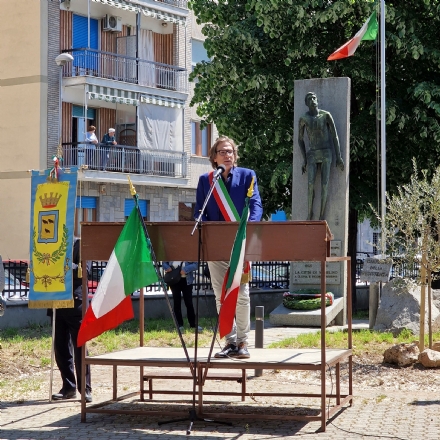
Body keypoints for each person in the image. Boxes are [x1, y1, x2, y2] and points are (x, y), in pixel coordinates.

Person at [194, 136, 263, 359]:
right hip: (216, 247)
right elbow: (199, 212)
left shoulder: (247, 175)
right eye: (223, 152)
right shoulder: (207, 180)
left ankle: (243, 342)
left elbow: (256, 206)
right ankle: (229, 342)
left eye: (231, 151)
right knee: (220, 295)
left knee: (241, 294)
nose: (228, 155)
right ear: (214, 157)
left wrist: (248, 229)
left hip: (240, 246)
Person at [51, 237, 92, 402]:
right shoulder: (51, 244)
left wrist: (62, 263)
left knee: (80, 347)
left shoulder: (80, 244)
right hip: (55, 300)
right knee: (61, 349)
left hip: (75, 303)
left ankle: (86, 389)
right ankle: (68, 387)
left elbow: (85, 272)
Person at [298, 92, 344, 220]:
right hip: (312, 153)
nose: (313, 100)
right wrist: (304, 159)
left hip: (326, 152)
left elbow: (335, 136)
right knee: (310, 183)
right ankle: (309, 213)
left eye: (314, 98)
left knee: (324, 184)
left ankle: (322, 214)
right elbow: (300, 139)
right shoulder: (304, 118)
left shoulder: (326, 115)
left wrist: (339, 157)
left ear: (317, 100)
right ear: (307, 103)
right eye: (309, 99)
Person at [162, 261, 203, 332]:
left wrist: (185, 269)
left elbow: (196, 264)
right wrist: (167, 267)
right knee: (176, 302)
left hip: (187, 280)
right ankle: (179, 325)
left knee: (189, 302)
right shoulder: (171, 251)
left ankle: (193, 324)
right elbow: (164, 262)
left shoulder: (189, 251)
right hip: (174, 280)